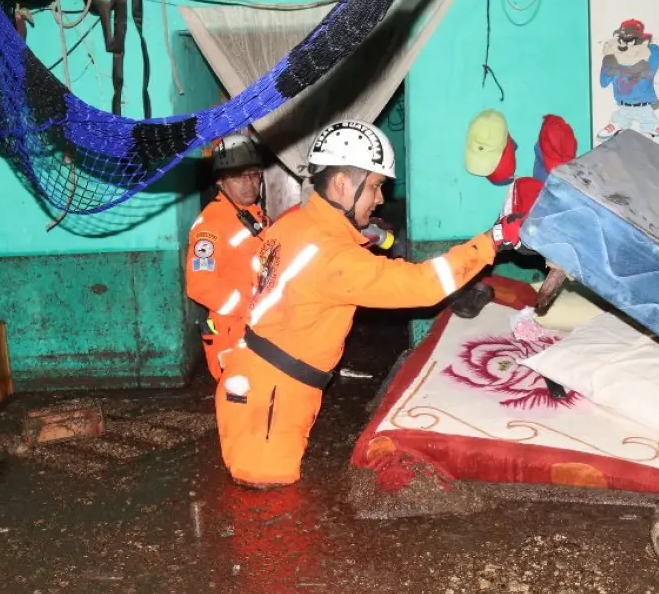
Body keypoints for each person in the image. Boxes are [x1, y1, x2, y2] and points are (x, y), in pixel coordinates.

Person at [214, 119, 528, 488]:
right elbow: (423, 287)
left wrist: (363, 238)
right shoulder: (330, 254)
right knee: (265, 515)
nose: (380, 198)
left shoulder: (293, 222)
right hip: (272, 397)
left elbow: (295, 270)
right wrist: (492, 240)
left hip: (264, 381)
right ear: (344, 183)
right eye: (376, 186)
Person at [185, 132, 270, 382]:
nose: (249, 184)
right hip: (234, 334)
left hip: (260, 328)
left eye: (254, 174)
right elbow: (201, 285)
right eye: (238, 176)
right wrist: (250, 309)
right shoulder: (210, 226)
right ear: (221, 181)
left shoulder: (254, 215)